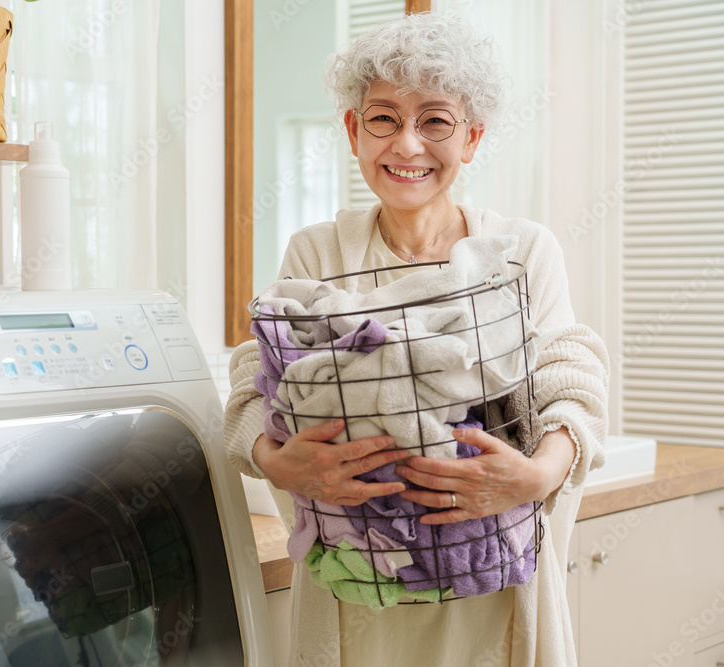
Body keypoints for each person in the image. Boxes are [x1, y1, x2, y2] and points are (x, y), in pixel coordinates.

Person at [224, 13, 609, 667]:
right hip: (361, 603)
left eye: (435, 121)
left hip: (496, 599)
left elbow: (571, 373)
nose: (406, 145)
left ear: (472, 137)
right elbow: (254, 377)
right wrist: (273, 457)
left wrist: (535, 475)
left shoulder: (520, 253)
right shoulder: (318, 252)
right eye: (382, 119)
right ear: (353, 131)